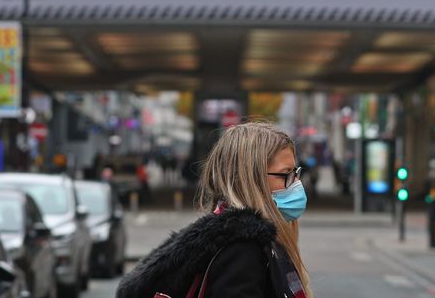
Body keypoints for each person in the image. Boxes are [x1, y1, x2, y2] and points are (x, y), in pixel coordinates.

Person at [116, 122, 311, 298]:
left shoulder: (239, 240)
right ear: (251, 179)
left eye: (296, 173)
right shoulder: (243, 250)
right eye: (286, 174)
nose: (296, 184)